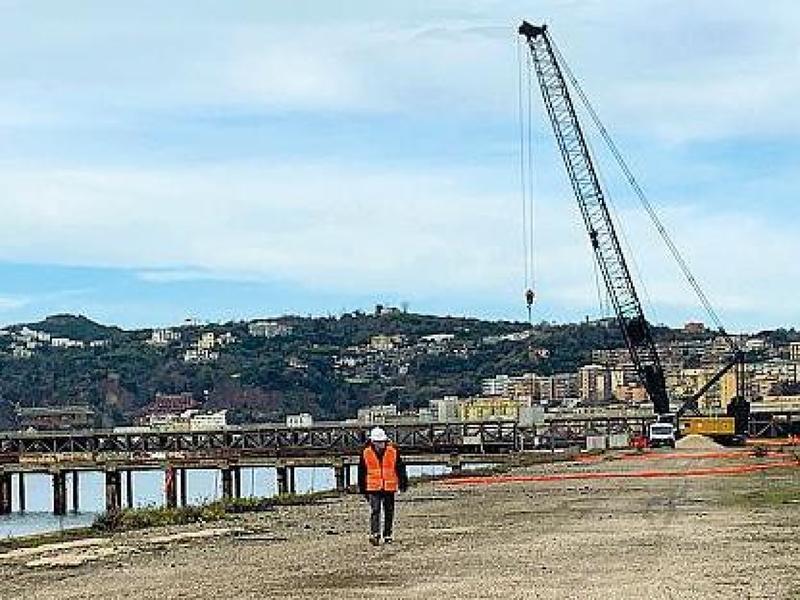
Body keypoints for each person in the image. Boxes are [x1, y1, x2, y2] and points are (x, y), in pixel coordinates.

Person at [358, 426, 408, 546]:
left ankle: (387, 534)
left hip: (389, 486)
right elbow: (361, 472)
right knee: (375, 510)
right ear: (372, 442)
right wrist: (362, 489)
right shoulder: (366, 453)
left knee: (389, 511)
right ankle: (375, 534)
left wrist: (403, 484)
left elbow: (400, 468)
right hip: (373, 486)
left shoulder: (393, 451)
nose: (380, 444)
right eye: (377, 442)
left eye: (381, 442)